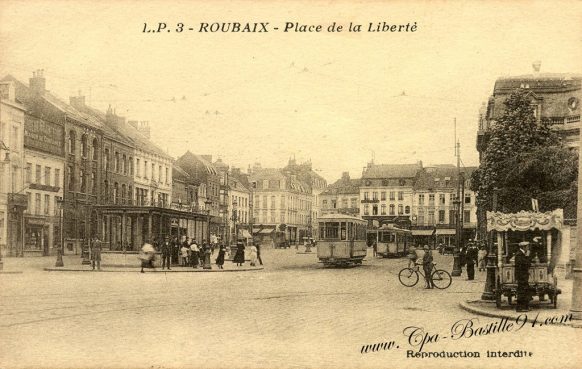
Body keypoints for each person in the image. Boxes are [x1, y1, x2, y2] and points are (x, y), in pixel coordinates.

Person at [515, 241, 532, 312]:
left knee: (524, 291)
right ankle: (519, 308)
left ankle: (525, 307)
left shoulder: (521, 254)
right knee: (522, 292)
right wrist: (527, 256)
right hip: (521, 276)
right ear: (523, 247)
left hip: (523, 276)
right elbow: (526, 264)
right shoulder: (519, 255)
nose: (528, 248)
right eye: (527, 247)